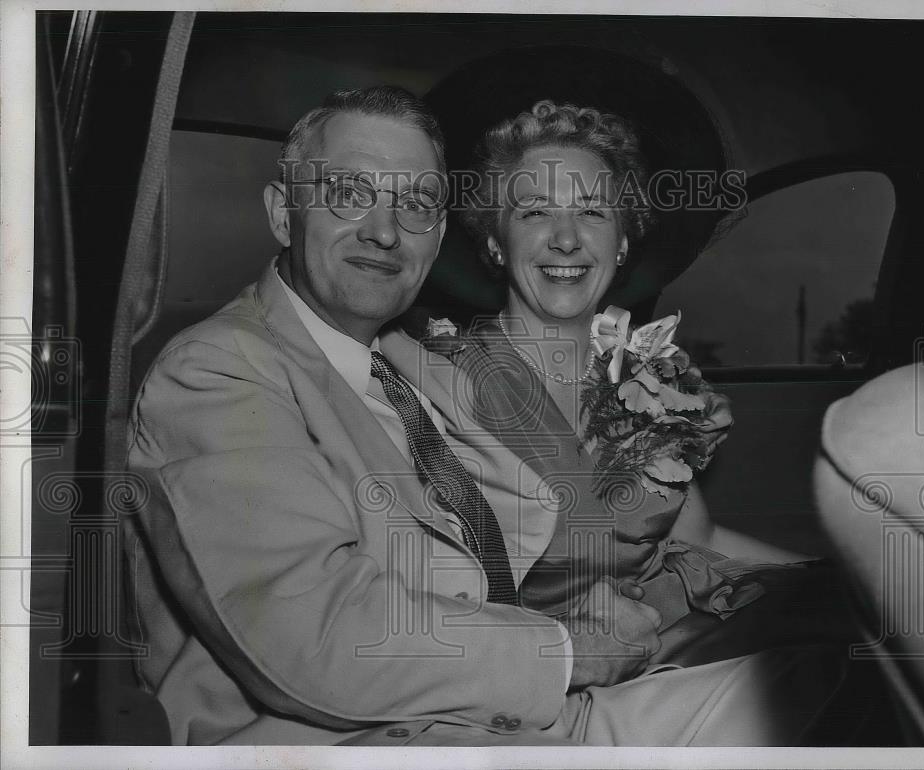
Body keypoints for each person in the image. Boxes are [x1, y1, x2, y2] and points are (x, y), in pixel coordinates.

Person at [124, 86, 848, 746]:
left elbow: (679, 541)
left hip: (495, 696)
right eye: (350, 193)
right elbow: (314, 635)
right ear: (284, 212)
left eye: (416, 203)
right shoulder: (223, 369)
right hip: (376, 733)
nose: (385, 230)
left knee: (856, 661)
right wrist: (572, 650)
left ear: (438, 234)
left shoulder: (402, 365)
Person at [450, 100, 858, 665]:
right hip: (560, 666)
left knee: (867, 627)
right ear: (495, 241)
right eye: (535, 212)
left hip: (679, 617)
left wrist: (848, 583)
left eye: (593, 212)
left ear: (621, 241)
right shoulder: (446, 384)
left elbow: (698, 543)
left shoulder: (647, 373)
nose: (566, 238)